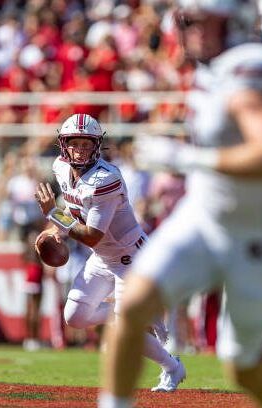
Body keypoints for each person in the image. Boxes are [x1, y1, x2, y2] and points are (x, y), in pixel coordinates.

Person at [99, 0, 262, 406]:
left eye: (204, 23)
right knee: (133, 306)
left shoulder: (252, 65)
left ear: (235, 22)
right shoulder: (212, 68)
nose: (193, 32)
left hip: (255, 230)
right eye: (191, 22)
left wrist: (187, 159)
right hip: (203, 215)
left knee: (244, 368)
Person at [34, 113, 181, 390]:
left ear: (97, 146)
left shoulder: (106, 179)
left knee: (126, 331)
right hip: (103, 256)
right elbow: (75, 212)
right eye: (74, 143)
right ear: (63, 145)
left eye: (86, 143)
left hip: (130, 257)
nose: (80, 149)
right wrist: (56, 230)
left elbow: (91, 235)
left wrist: (54, 215)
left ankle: (172, 367)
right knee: (75, 317)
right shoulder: (60, 168)